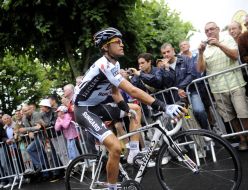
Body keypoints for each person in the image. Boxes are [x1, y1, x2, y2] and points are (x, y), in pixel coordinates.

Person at [74, 27, 186, 190]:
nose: (122, 44)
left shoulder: (115, 63)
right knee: (116, 147)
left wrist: (126, 109)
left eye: (121, 41)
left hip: (98, 106)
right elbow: (132, 90)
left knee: (136, 109)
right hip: (83, 110)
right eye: (117, 42)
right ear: (106, 46)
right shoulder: (103, 65)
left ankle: (133, 153)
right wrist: (163, 106)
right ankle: (112, 187)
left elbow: (114, 93)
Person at [197, 21, 248, 151]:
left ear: (217, 29)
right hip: (217, 88)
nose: (209, 32)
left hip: (235, 84)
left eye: (212, 29)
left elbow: (235, 55)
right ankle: (242, 139)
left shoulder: (227, 38)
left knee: (243, 113)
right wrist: (200, 53)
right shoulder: (205, 48)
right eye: (207, 31)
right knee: (230, 117)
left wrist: (218, 44)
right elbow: (200, 69)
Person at [179, 40, 209, 130]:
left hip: (201, 86)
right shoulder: (179, 60)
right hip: (187, 91)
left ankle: (208, 128)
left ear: (189, 45)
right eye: (181, 45)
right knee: (188, 113)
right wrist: (181, 87)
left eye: (185, 44)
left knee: (205, 108)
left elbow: (201, 68)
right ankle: (196, 130)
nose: (183, 46)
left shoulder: (197, 55)